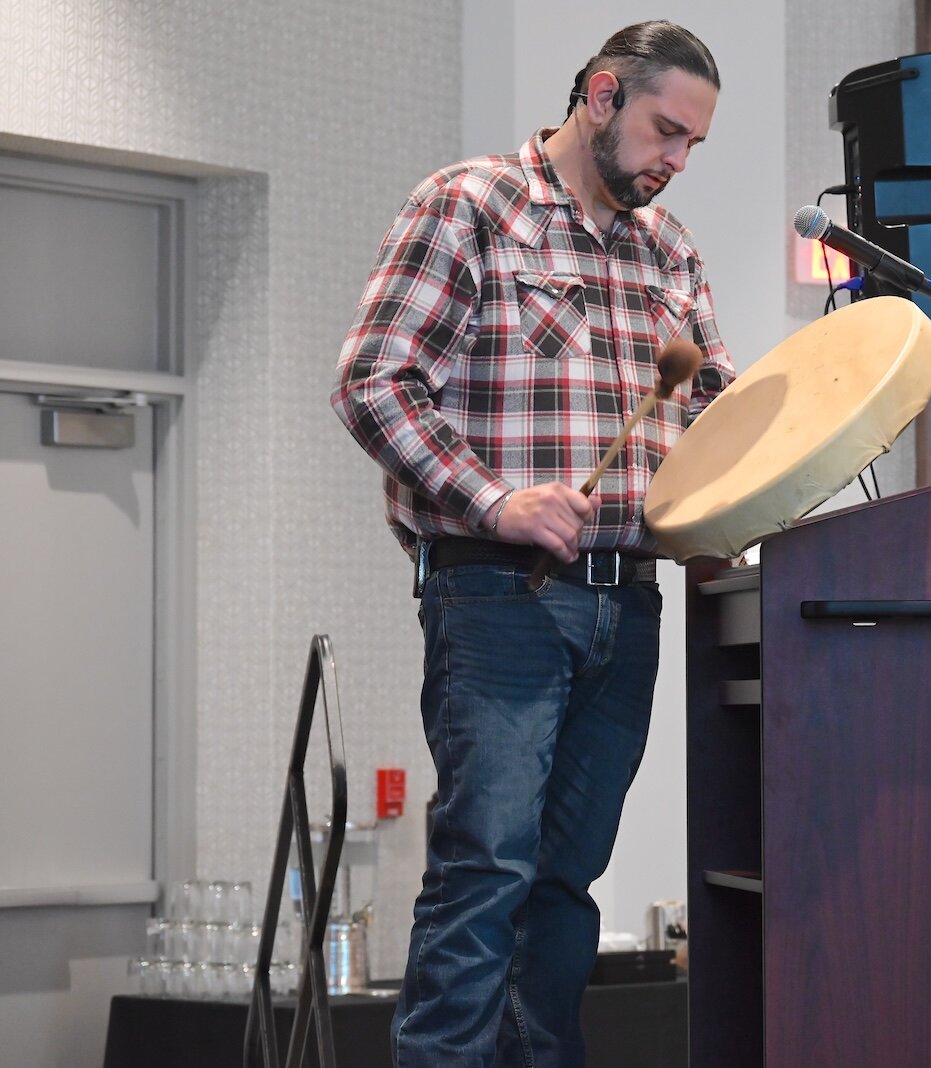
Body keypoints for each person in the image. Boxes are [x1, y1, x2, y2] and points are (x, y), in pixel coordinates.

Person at [330, 21, 735, 1067]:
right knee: (486, 871)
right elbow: (374, 382)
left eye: (692, 144)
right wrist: (494, 500)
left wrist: (729, 510)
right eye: (664, 131)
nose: (675, 161)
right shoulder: (469, 205)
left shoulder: (669, 250)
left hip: (627, 604)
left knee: (565, 885)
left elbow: (714, 417)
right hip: (500, 594)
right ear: (600, 94)